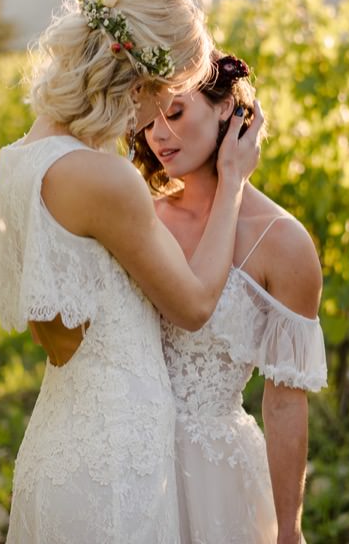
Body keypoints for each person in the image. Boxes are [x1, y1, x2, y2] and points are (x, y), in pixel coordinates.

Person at [0, 0, 263, 543]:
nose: (158, 121)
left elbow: (54, 332)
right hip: (118, 454)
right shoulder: (105, 178)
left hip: (59, 437)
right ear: (143, 79)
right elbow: (195, 304)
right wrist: (232, 182)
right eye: (169, 91)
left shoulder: (19, 160)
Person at [132, 50, 328, 543]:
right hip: (127, 457)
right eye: (147, 119)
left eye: (174, 113)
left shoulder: (284, 242)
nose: (158, 135)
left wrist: (289, 528)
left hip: (219, 480)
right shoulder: (137, 215)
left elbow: (285, 403)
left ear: (226, 108)